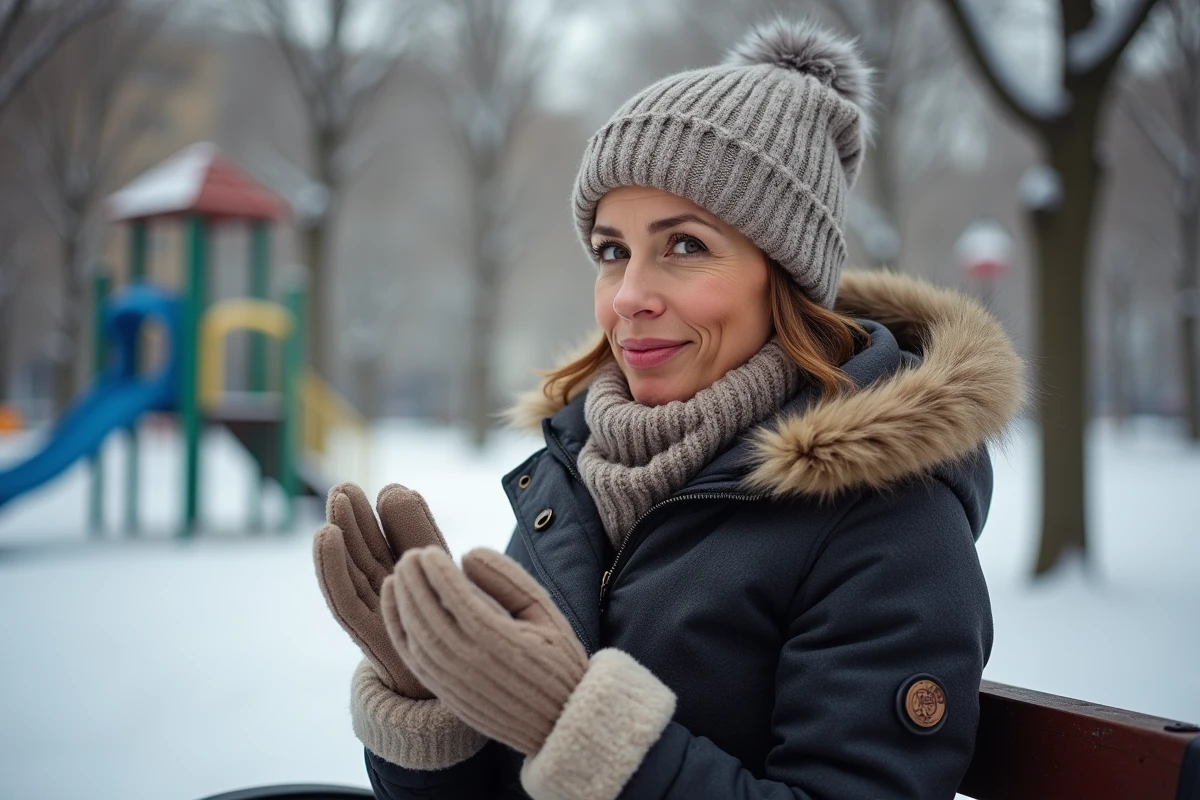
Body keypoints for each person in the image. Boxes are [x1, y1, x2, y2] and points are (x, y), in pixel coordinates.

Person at [313, 17, 1024, 800]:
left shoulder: (888, 517)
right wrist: (436, 703)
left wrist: (577, 727)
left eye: (684, 245)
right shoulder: (578, 470)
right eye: (612, 251)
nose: (629, 297)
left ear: (784, 275)